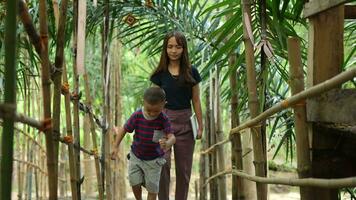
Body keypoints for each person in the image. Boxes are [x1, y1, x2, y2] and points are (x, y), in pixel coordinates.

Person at [150, 31, 203, 200]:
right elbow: (152, 102)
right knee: (162, 165)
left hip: (186, 123)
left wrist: (200, 125)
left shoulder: (192, 72)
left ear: (184, 49)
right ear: (165, 49)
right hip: (162, 123)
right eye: (170, 47)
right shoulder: (159, 75)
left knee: (184, 170)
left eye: (178, 47)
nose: (174, 51)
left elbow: (196, 100)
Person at [111, 87, 176, 200]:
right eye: (148, 110)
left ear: (163, 105)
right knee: (134, 181)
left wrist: (168, 143)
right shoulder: (137, 115)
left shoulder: (163, 119)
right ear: (143, 102)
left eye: (156, 111)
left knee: (152, 188)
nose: (151, 113)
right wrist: (115, 146)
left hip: (154, 160)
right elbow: (124, 129)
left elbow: (172, 137)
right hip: (136, 156)